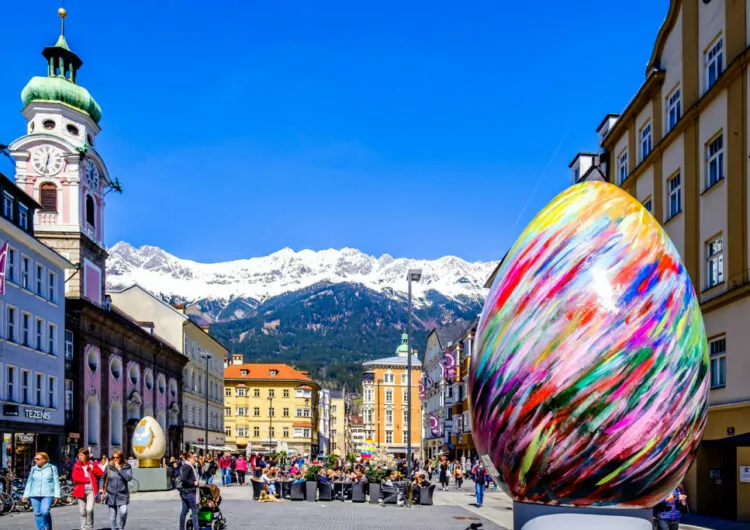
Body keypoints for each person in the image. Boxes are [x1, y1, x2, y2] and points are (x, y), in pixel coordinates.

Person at [22, 452, 60, 530]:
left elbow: (56, 482)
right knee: (38, 514)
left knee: (45, 512)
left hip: (47, 494)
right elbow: (29, 482)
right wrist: (25, 495)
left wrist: (57, 495)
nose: (35, 460)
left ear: (44, 460)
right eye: (35, 459)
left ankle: (48, 527)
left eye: (38, 459)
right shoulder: (33, 469)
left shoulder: (52, 468)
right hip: (34, 494)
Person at [72, 448, 103, 530]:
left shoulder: (92, 464)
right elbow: (75, 478)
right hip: (80, 491)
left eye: (82, 455)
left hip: (91, 491)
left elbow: (101, 474)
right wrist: (86, 480)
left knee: (89, 509)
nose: (80, 457)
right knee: (82, 512)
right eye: (79, 455)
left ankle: (89, 527)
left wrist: (93, 469)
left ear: (87, 456)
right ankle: (83, 527)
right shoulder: (77, 465)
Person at [104, 451, 132, 530]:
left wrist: (120, 469)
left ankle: (121, 527)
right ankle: (113, 528)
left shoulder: (127, 466)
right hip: (111, 494)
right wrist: (100, 489)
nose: (115, 459)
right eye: (113, 457)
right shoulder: (109, 467)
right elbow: (103, 478)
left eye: (117, 457)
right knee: (112, 515)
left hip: (122, 494)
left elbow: (129, 478)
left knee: (123, 512)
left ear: (121, 458)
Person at [178, 452, 200, 530]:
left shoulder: (184, 466)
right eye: (193, 457)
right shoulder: (188, 466)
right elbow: (183, 478)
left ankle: (181, 528)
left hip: (184, 492)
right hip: (190, 492)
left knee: (184, 511)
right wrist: (193, 483)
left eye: (196, 457)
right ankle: (196, 528)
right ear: (188, 458)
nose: (195, 458)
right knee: (194, 512)